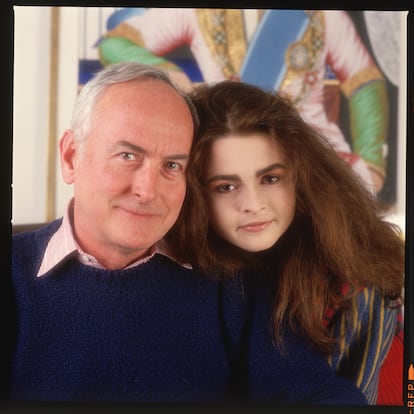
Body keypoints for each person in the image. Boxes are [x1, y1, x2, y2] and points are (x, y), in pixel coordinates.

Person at [9, 62, 367, 404]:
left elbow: (316, 393)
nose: (148, 190)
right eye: (128, 156)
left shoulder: (232, 285)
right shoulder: (12, 274)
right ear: (72, 157)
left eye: (171, 165)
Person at [166, 80, 405, 404]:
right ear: (196, 194)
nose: (253, 203)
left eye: (270, 179)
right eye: (226, 186)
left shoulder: (354, 280)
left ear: (301, 177)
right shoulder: (191, 268)